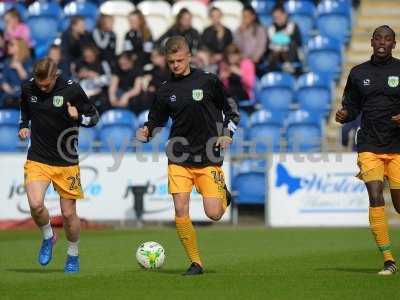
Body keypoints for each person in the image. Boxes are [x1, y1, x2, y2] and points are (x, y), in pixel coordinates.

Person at [136, 36, 240, 275]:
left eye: (179, 60)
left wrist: (227, 134)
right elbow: (156, 119)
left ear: (189, 57)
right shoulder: (165, 90)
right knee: (180, 209)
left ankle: (223, 194)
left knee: (214, 213)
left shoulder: (208, 81)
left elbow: (231, 110)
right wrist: (148, 131)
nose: (175, 65)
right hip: (178, 156)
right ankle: (196, 262)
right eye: (171, 61)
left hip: (208, 156)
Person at [18, 57, 99, 273]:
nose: (43, 88)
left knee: (68, 214)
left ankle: (73, 254)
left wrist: (79, 117)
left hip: (67, 161)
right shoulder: (28, 88)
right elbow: (25, 109)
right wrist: (24, 125)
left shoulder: (72, 90)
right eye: (39, 84)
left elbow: (94, 118)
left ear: (56, 76)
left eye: (47, 85)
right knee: (35, 205)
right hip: (38, 158)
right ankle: (48, 236)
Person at [335, 25, 400, 276]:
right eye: (378, 39)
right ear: (372, 42)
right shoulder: (358, 72)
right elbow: (350, 106)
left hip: (397, 146)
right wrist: (344, 114)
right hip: (369, 145)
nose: (382, 42)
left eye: (388, 39)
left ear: (393, 44)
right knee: (375, 197)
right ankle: (388, 260)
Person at [265, 5, 302, 74]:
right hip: (275, 56)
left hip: (290, 55)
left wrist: (281, 40)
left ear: (285, 15)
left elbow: (298, 42)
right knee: (274, 49)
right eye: (275, 18)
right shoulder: (270, 29)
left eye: (279, 16)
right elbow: (268, 46)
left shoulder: (293, 26)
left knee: (291, 44)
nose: (278, 19)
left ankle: (288, 65)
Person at [1, 38, 33, 108]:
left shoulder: (28, 61)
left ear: (19, 47)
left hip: (25, 94)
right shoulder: (7, 62)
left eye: (12, 45)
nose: (8, 46)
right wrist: (12, 93)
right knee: (9, 100)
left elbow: (28, 81)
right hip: (11, 95)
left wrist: (19, 68)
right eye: (8, 44)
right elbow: (4, 82)